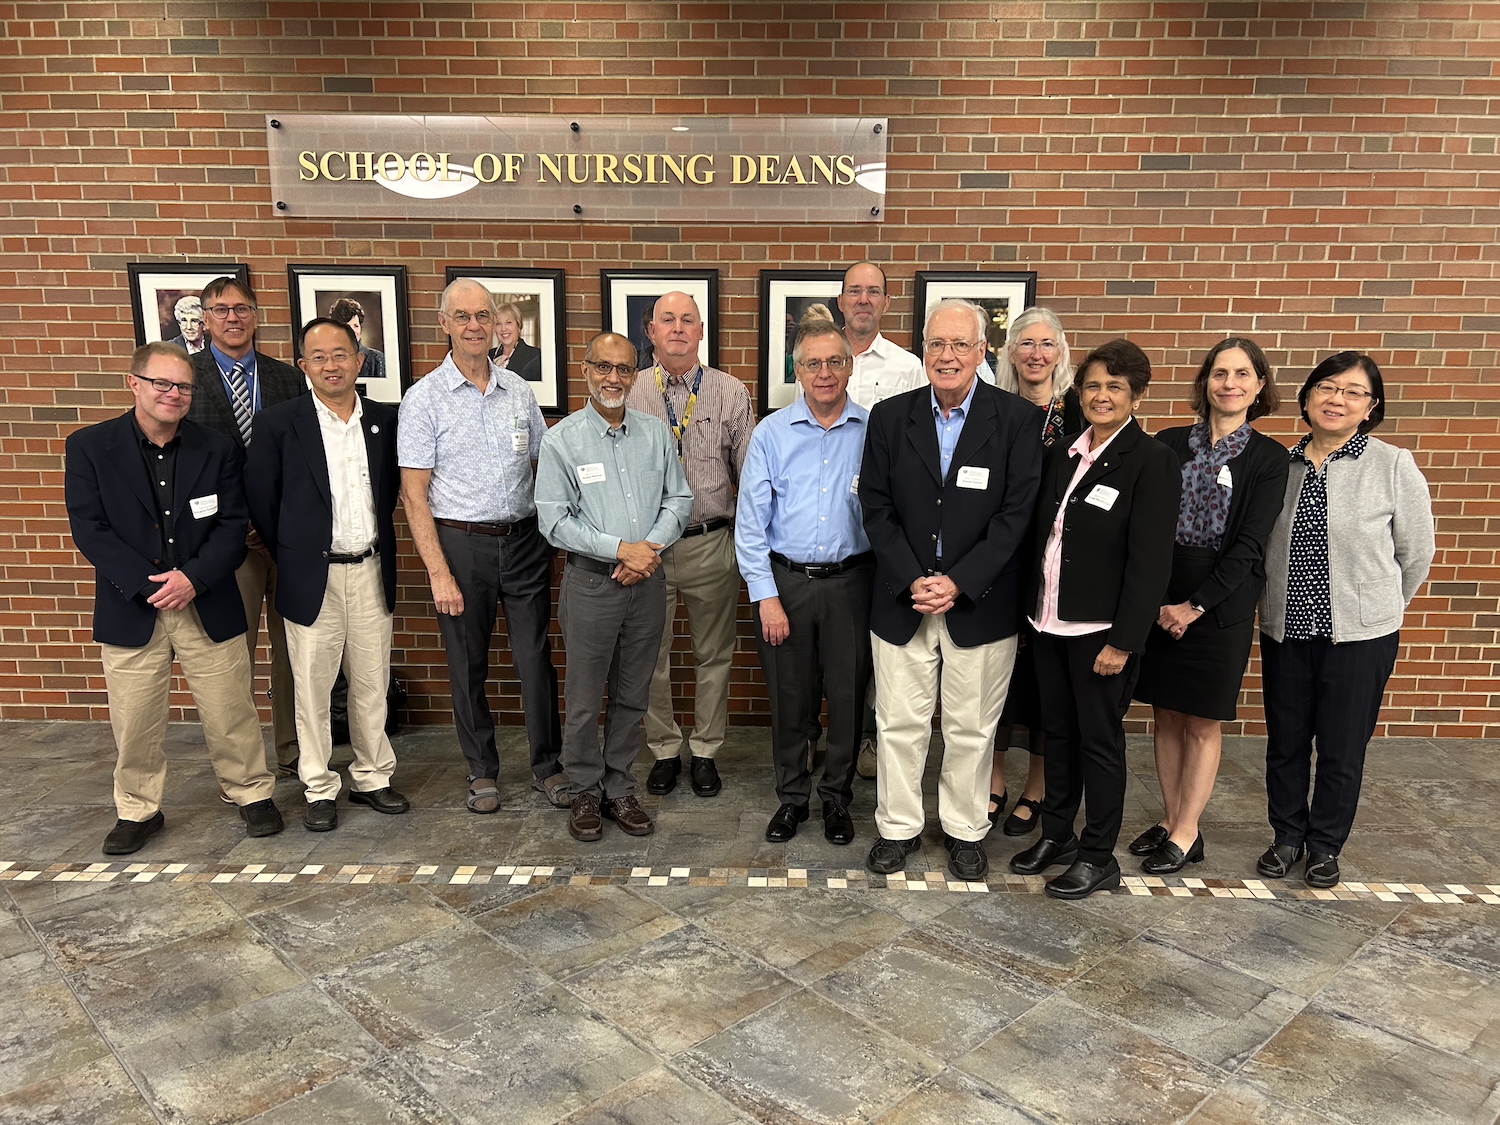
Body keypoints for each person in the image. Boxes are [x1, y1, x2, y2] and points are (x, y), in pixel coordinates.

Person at [65, 343, 282, 854]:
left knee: (231, 707)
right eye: (162, 383)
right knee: (135, 716)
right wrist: (148, 584)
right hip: (131, 606)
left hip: (205, 598)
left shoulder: (218, 448)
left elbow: (232, 526)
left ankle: (251, 792)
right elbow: (90, 530)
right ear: (134, 383)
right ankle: (137, 808)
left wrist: (192, 579)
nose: (174, 394)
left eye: (183, 386)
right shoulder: (90, 447)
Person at [859, 299, 1043, 881]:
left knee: (971, 727)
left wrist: (959, 582)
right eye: (937, 344)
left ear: (982, 351)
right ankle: (898, 827)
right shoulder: (890, 418)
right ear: (923, 349)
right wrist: (915, 577)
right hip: (901, 598)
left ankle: (966, 829)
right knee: (899, 723)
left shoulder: (1016, 420)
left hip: (982, 604)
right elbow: (876, 508)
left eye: (961, 345)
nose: (947, 356)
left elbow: (1017, 515)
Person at [1256, 352, 1434, 889]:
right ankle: (1287, 834)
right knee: (1285, 739)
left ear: (1370, 407)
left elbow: (1416, 552)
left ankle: (1326, 844)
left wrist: (1377, 608)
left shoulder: (1392, 464)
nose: (1337, 400)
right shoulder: (1279, 466)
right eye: (1327, 388)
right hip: (1286, 628)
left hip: (1360, 636)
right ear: (1308, 397)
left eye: (1353, 392)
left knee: (1342, 745)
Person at [1010, 338, 1179, 899]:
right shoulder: (1064, 451)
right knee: (1055, 736)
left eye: (1114, 387)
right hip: (1049, 625)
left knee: (1098, 743)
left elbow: (1151, 562)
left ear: (1136, 395)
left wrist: (1125, 641)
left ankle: (1098, 852)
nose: (1101, 396)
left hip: (1101, 635)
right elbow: (1045, 537)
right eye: (1092, 386)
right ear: (1077, 392)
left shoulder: (1151, 461)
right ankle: (1057, 834)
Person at [399, 278, 565, 813]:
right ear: (444, 324)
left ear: (498, 323)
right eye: (463, 316)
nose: (475, 325)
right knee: (467, 662)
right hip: (460, 545)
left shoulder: (519, 390)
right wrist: (437, 572)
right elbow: (414, 494)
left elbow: (546, 468)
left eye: (483, 315)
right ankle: (482, 770)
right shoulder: (423, 399)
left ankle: (548, 766)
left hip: (523, 541)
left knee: (535, 657)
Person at [1130, 338, 1290, 873]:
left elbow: (1250, 543)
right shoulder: (1169, 443)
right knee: (1165, 714)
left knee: (1201, 720)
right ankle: (1174, 821)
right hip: (1159, 594)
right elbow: (1145, 523)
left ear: (1259, 385)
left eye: (1242, 374)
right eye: (1220, 373)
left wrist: (1193, 606)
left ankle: (1188, 827)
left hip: (1218, 605)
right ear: (1205, 382)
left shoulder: (1269, 458)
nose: (1230, 383)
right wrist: (1156, 600)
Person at [245, 319, 409, 832]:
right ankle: (318, 785)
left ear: (360, 360)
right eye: (318, 357)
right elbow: (263, 504)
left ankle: (373, 776)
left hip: (371, 568)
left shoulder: (387, 420)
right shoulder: (278, 423)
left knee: (370, 682)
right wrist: (295, 553)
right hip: (309, 573)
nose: (331, 365)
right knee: (311, 688)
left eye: (340, 354)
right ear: (303, 366)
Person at [535, 332, 693, 842]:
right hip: (590, 583)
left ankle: (619, 785)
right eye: (603, 367)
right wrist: (619, 549)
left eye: (623, 369)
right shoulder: (562, 440)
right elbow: (553, 521)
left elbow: (680, 498)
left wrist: (646, 549)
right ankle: (584, 787)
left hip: (646, 582)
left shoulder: (655, 433)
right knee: (584, 695)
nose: (613, 378)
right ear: (585, 370)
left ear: (636, 374)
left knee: (633, 693)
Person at [737, 320, 871, 845]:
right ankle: (792, 798)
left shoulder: (874, 430)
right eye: (813, 363)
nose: (824, 373)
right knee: (790, 700)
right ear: (797, 370)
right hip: (785, 584)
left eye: (834, 362)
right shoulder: (769, 434)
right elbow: (750, 526)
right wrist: (765, 597)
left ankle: (836, 797)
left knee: (847, 699)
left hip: (853, 584)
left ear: (850, 366)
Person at [627, 291, 754, 800]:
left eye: (688, 320)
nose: (677, 328)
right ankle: (662, 750)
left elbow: (751, 478)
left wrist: (748, 552)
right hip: (647, 550)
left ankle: (704, 751)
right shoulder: (628, 391)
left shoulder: (729, 392)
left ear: (701, 331)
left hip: (710, 543)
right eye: (667, 320)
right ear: (651, 332)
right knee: (648, 657)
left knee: (714, 655)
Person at [186, 276, 305, 778]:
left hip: (287, 539)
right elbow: (187, 465)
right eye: (220, 309)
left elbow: (302, 459)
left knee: (294, 653)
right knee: (231, 658)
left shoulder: (287, 379)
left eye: (241, 308)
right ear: (205, 318)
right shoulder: (185, 378)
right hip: (224, 542)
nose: (232, 318)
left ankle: (295, 753)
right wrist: (242, 522)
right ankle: (242, 768)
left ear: (256, 315)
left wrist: (276, 521)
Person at [985, 306, 1082, 836]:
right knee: (999, 680)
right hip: (1000, 564)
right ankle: (993, 780)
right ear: (1010, 353)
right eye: (1025, 344)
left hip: (1056, 571)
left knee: (1046, 684)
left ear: (1060, 352)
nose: (1036, 354)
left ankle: (1037, 789)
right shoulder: (994, 409)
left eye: (1046, 344)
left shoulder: (1078, 415)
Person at [836, 261, 928, 781]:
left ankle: (871, 739)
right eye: (855, 291)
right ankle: (831, 739)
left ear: (886, 302)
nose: (864, 299)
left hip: (889, 535)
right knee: (838, 648)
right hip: (834, 533)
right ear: (842, 299)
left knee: (882, 644)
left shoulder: (908, 367)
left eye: (874, 291)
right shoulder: (820, 357)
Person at [327, 297, 387, 387]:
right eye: (347, 326)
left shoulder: (377, 359)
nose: (353, 331)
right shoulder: (327, 359)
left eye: (356, 326)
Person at [489, 301, 543, 381]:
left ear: (519, 326)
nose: (503, 328)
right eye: (498, 324)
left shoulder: (536, 356)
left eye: (508, 323)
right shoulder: (487, 356)